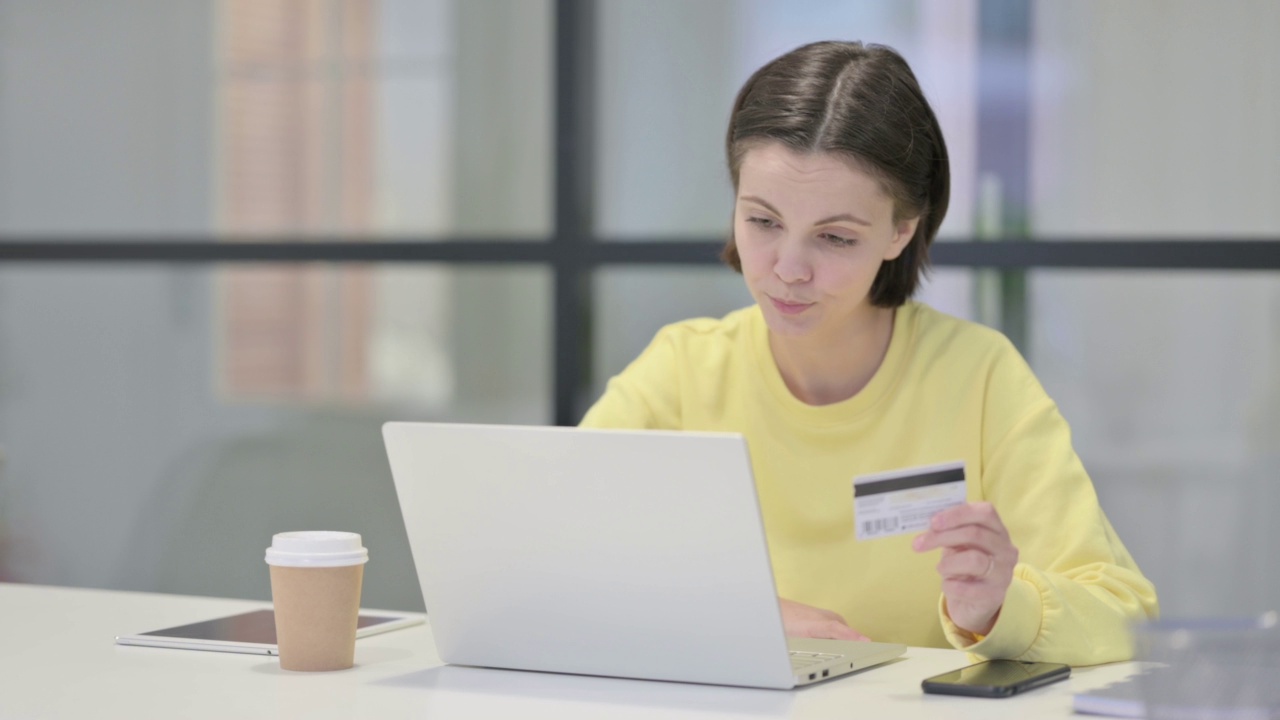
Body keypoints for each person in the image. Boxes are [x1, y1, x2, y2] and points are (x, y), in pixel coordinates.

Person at [580, 40, 1158, 666]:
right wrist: (740, 618)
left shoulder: (979, 377)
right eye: (763, 222)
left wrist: (999, 609)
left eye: (834, 236)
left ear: (901, 231)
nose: (788, 269)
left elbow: (1125, 615)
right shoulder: (682, 373)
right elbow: (546, 560)